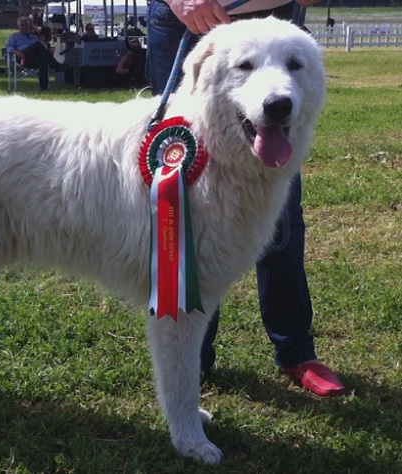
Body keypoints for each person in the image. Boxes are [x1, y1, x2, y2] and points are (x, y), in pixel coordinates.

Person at [146, 0, 347, 397]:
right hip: (185, 15)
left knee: (278, 214)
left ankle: (295, 350)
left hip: (275, 13)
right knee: (179, 192)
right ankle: (191, 354)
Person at [6, 16, 64, 91]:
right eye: (22, 25)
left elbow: (42, 46)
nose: (24, 27)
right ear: (18, 26)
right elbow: (9, 48)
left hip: (34, 59)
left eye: (26, 25)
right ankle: (55, 65)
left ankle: (44, 87)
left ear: (29, 26)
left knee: (43, 58)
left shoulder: (34, 37)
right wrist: (16, 52)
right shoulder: (14, 37)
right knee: (38, 45)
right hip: (22, 57)